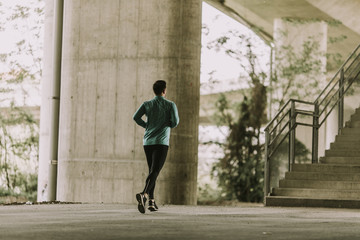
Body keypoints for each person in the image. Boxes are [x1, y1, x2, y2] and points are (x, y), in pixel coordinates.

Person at [133, 80, 179, 214]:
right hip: (161, 142)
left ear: (154, 91)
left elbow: (135, 117)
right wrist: (167, 124)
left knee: (152, 171)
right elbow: (175, 122)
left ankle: (152, 202)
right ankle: (144, 194)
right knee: (155, 171)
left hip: (147, 142)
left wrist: (147, 125)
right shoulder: (170, 105)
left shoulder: (147, 104)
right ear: (164, 90)